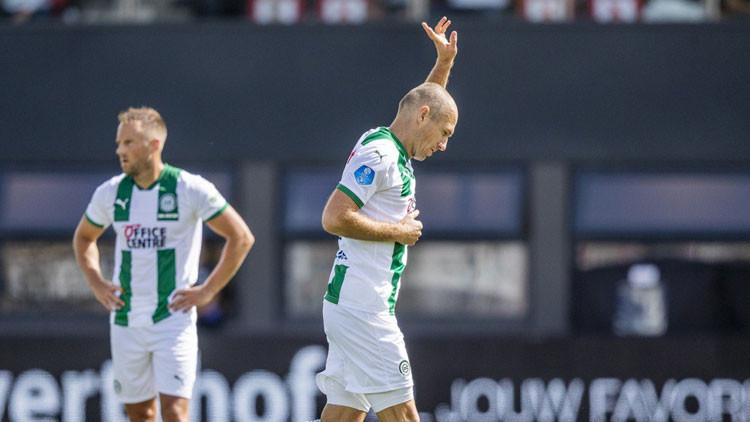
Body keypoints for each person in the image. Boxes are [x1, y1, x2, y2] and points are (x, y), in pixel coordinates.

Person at [315, 17, 459, 422]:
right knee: (405, 417)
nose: (443, 145)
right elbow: (333, 217)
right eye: (445, 133)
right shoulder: (380, 155)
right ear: (424, 118)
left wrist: (444, 64)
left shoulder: (393, 145)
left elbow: (428, 101)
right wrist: (399, 232)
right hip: (364, 311)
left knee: (344, 415)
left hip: (353, 304)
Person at [72, 107, 254, 422]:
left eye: (128, 143)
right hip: (126, 320)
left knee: (175, 412)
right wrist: (96, 282)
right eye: (119, 143)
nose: (120, 151)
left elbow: (241, 237)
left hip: (173, 320)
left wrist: (208, 291)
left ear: (154, 145)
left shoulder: (189, 188)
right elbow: (84, 237)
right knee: (140, 414)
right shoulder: (111, 193)